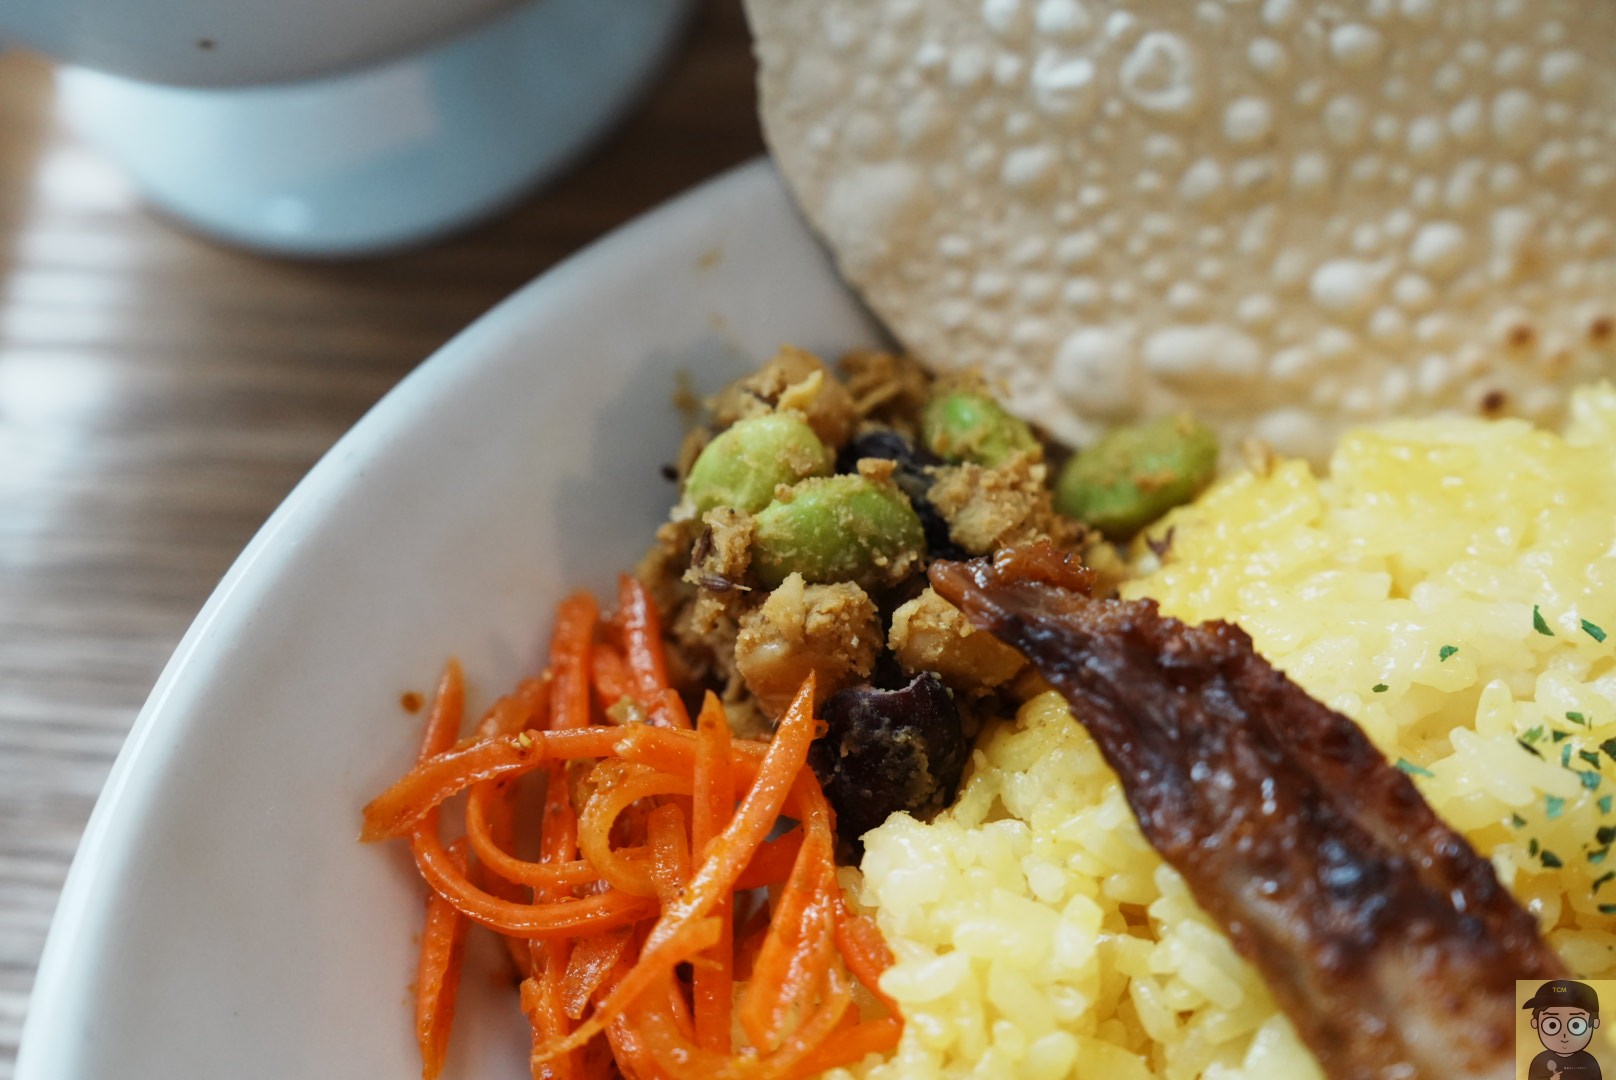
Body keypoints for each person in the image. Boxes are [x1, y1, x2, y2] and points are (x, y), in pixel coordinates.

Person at [1524, 979, 1603, 1079]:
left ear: (1595, 1023)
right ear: (1535, 1023)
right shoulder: (1539, 1062)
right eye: (1552, 1025)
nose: (1564, 1035)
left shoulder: (1590, 1062)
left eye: (1576, 1025)